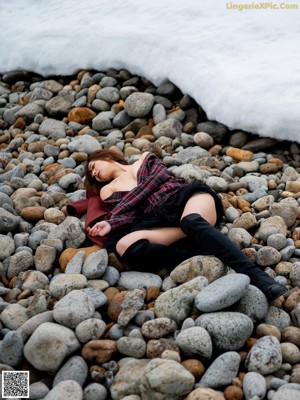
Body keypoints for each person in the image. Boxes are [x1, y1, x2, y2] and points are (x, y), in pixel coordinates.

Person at [84, 149, 287, 303]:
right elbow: (129, 214)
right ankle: (203, 244)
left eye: (94, 167)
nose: (94, 174)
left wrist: (121, 210)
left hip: (187, 198)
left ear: (108, 157)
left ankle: (258, 277)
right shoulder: (107, 190)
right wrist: (111, 224)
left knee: (190, 220)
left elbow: (159, 179)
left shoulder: (144, 158)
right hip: (161, 220)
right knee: (124, 246)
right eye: (92, 175)